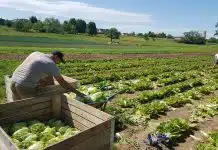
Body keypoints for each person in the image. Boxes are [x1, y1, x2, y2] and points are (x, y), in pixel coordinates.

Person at [11, 50, 88, 101]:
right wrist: (78, 93)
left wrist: (40, 80)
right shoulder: (51, 64)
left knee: (17, 106)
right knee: (30, 108)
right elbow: (62, 83)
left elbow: (31, 69)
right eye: (59, 61)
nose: (58, 63)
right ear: (56, 57)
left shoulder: (36, 53)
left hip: (13, 81)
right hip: (25, 86)